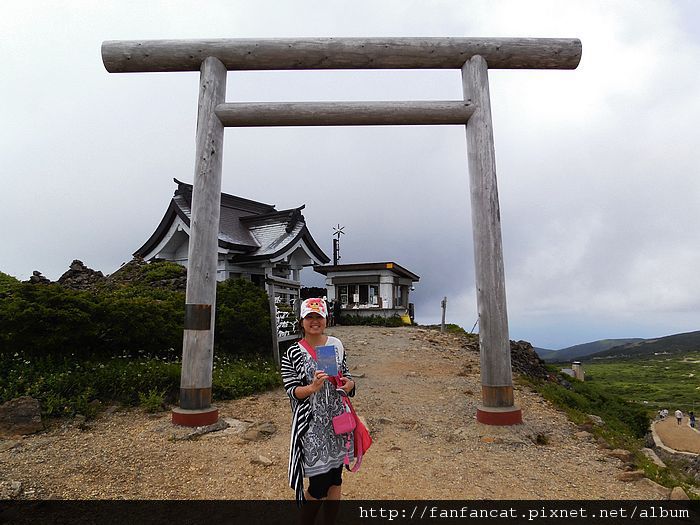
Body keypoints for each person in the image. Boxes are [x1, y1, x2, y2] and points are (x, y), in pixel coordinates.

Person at [280, 297, 356, 518]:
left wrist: (349, 384)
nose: (315, 321)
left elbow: (346, 374)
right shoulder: (292, 353)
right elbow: (292, 390)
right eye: (309, 317)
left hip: (338, 423)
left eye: (319, 316)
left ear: (326, 319)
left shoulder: (336, 344)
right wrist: (312, 387)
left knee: (336, 479)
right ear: (301, 321)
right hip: (312, 427)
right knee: (318, 485)